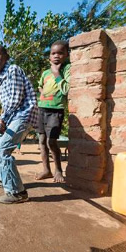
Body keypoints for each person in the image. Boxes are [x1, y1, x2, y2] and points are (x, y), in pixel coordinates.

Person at [0, 44, 38, 204]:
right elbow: (7, 102)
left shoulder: (12, 70)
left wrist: (2, 120)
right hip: (14, 117)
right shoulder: (1, 76)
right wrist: (3, 120)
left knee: (2, 149)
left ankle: (17, 192)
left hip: (23, 115)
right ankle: (4, 178)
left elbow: (15, 100)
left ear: (6, 56)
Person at [35, 40, 71, 183]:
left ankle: (58, 170)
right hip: (42, 109)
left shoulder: (66, 69)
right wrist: (44, 95)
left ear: (66, 55)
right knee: (42, 141)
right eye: (53, 53)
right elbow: (39, 86)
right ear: (49, 56)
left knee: (52, 142)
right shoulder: (45, 73)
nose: (56, 56)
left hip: (56, 110)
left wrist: (56, 72)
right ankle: (46, 170)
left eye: (60, 53)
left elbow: (66, 89)